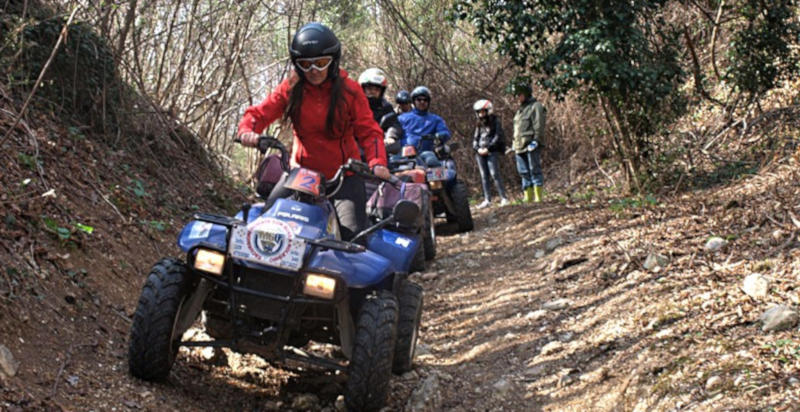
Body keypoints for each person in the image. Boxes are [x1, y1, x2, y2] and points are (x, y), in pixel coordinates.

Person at [237, 22, 390, 241]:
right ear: (297, 65)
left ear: (333, 61)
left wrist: (378, 162)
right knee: (265, 224)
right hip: (301, 174)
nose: (314, 71)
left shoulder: (350, 90)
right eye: (306, 64)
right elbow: (260, 113)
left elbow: (369, 131)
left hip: (343, 177)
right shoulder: (291, 87)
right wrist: (247, 130)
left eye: (320, 63)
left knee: (353, 238)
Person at [510, 80, 546, 203]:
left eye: (519, 94)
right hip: (519, 146)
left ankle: (538, 196)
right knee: (523, 171)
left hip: (531, 143)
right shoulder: (520, 110)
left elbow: (539, 124)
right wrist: (514, 144)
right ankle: (528, 196)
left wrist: (536, 140)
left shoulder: (536, 106)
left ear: (526, 93)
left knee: (534, 169)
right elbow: (517, 129)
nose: (517, 97)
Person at [397, 86, 451, 167]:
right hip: (404, 156)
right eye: (419, 99)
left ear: (428, 102)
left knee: (433, 161)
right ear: (414, 101)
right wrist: (390, 137)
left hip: (425, 155)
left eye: (425, 100)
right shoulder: (402, 118)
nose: (422, 102)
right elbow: (393, 131)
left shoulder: (435, 119)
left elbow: (445, 133)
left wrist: (440, 135)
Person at [472, 99, 510, 208]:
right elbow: (475, 138)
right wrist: (477, 148)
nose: (481, 114)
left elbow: (498, 136)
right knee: (484, 176)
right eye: (479, 112)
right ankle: (487, 199)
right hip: (480, 152)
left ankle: (503, 198)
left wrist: (488, 148)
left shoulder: (495, 121)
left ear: (488, 110)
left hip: (491, 151)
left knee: (495, 174)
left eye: (483, 111)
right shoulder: (479, 124)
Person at [358, 67, 404, 154]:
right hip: (357, 146)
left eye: (376, 89)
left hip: (379, 146)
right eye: (369, 88)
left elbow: (394, 124)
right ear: (363, 89)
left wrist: (391, 136)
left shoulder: (385, 107)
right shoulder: (354, 106)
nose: (373, 92)